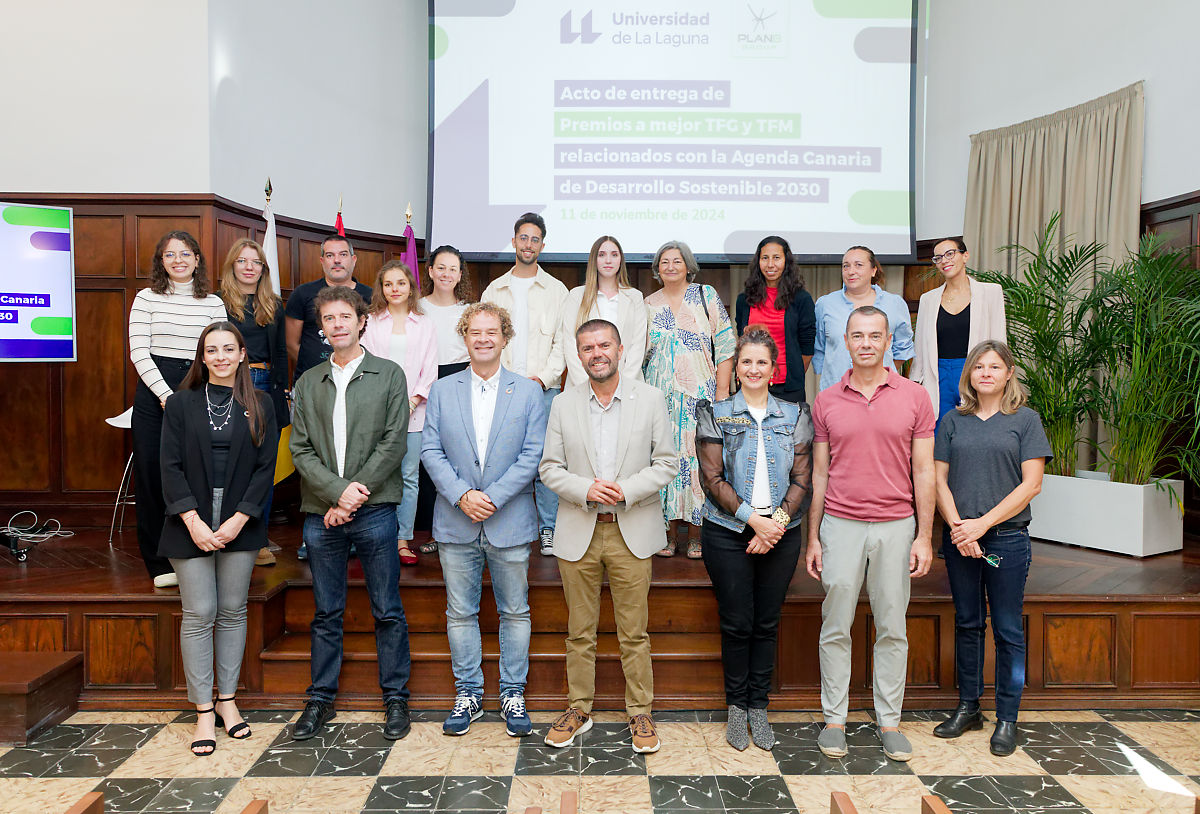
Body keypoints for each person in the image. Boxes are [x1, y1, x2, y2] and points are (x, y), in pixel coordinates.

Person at [539, 319, 678, 755]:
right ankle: (578, 709)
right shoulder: (563, 404)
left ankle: (640, 711)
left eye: (604, 344)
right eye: (587, 347)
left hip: (630, 530)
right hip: (579, 530)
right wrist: (584, 490)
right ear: (578, 355)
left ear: (620, 349)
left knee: (633, 632)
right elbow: (549, 468)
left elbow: (667, 462)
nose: (596, 353)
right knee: (579, 631)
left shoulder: (650, 399)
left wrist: (626, 490)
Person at [805, 305, 935, 762]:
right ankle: (835, 720)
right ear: (845, 339)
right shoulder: (826, 401)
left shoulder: (915, 397)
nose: (865, 343)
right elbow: (820, 475)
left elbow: (924, 469)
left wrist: (924, 535)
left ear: (887, 341)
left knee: (892, 627)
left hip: (897, 526)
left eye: (874, 336)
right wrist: (814, 537)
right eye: (857, 335)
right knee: (835, 623)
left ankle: (890, 722)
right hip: (840, 524)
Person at [288, 286, 412, 742]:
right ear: (321, 327)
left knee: (387, 610)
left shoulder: (389, 375)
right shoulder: (308, 382)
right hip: (322, 514)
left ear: (362, 321)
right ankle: (320, 699)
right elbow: (300, 449)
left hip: (376, 511)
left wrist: (354, 497)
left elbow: (394, 442)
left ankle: (396, 698)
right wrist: (337, 495)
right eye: (329, 318)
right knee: (326, 612)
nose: (337, 324)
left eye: (345, 316)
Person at [421, 302, 546, 738]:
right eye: (475, 331)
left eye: (492, 331)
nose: (484, 338)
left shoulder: (528, 392)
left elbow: (533, 455)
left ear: (505, 337)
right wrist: (461, 495)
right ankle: (469, 692)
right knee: (460, 612)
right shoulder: (442, 389)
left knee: (515, 611)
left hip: (508, 520)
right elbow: (430, 450)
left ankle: (513, 692)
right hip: (455, 522)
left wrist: (489, 497)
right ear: (465, 336)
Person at [159, 322, 278, 755]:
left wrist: (237, 521)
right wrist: (193, 521)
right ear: (202, 357)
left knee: (231, 610)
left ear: (243, 354)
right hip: (188, 516)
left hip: (239, 521)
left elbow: (266, 470)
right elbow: (168, 467)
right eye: (213, 350)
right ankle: (203, 711)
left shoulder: (262, 404)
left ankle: (227, 702)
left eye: (230, 349)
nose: (222, 356)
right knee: (200, 612)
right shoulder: (181, 404)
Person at [695, 328, 813, 751]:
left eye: (761, 362)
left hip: (782, 532)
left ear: (774, 368)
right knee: (737, 621)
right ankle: (736, 708)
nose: (753, 369)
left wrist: (774, 524)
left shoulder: (795, 414)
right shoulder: (716, 412)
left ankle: (758, 706)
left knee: (766, 622)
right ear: (736, 367)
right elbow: (711, 479)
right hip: (727, 532)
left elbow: (803, 478)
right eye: (746, 361)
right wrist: (753, 521)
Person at [932, 340, 1049, 756]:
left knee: (1007, 629)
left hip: (1006, 539)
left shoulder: (1026, 420)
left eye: (994, 367)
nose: (986, 373)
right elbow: (937, 480)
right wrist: (961, 529)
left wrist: (982, 524)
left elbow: (1031, 485)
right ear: (969, 375)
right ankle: (969, 707)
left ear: (1008, 374)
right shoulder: (952, 421)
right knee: (967, 623)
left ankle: (1007, 719)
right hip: (961, 539)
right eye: (978, 366)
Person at [129, 230, 228, 588]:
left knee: (195, 474)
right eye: (169, 255)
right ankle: (158, 563)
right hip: (155, 393)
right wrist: (166, 395)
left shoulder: (214, 303)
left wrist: (189, 395)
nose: (178, 260)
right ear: (161, 261)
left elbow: (217, 351)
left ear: (197, 259)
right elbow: (139, 351)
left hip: (199, 388)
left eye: (185, 254)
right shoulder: (146, 298)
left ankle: (195, 551)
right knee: (154, 476)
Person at [481, 213, 569, 557]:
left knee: (547, 463)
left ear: (542, 246)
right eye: (523, 238)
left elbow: (563, 344)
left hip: (543, 391)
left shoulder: (556, 290)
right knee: (500, 460)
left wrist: (542, 380)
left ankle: (548, 527)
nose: (528, 244)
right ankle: (500, 525)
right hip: (500, 389)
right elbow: (486, 339)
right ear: (514, 241)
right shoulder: (494, 289)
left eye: (535, 239)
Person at [642, 240, 735, 558]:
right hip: (659, 398)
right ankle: (665, 534)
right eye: (664, 261)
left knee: (698, 463)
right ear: (657, 268)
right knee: (662, 462)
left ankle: (696, 535)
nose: (670, 266)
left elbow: (725, 343)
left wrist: (722, 391)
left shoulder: (706, 295)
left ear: (688, 266)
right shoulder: (647, 304)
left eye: (676, 261)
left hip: (700, 394)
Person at [284, 234, 373, 561]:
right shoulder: (304, 294)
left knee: (354, 455)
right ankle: (317, 533)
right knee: (314, 457)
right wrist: (318, 373)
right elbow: (292, 343)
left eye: (342, 254)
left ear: (353, 259)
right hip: (314, 389)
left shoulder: (369, 296)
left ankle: (353, 527)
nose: (336, 260)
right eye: (329, 255)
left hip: (358, 387)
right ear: (321, 260)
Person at [362, 260, 438, 566]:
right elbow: (364, 364)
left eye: (401, 283)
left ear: (411, 287)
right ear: (381, 288)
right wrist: (387, 406)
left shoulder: (425, 323)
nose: (395, 289)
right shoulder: (369, 321)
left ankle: (402, 539)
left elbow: (430, 368)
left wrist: (410, 402)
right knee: (376, 476)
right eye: (388, 284)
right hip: (375, 412)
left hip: (415, 412)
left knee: (409, 477)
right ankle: (375, 537)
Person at [218, 238, 288, 568]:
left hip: (263, 386)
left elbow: (280, 356)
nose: (249, 267)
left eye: (256, 262)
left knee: (263, 465)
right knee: (231, 463)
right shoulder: (217, 303)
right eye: (243, 261)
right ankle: (226, 532)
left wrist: (281, 398)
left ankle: (257, 538)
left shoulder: (272, 303)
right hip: (227, 384)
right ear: (232, 265)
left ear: (263, 269)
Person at [414, 245, 475, 553]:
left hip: (458, 378)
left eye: (453, 269)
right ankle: (426, 530)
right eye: (441, 267)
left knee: (452, 454)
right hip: (422, 380)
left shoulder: (469, 310)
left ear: (460, 274)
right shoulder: (418, 307)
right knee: (425, 455)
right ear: (430, 271)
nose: (446, 274)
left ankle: (453, 527)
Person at [910, 238, 1008, 424]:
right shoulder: (928, 299)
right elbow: (921, 347)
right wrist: (915, 382)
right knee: (940, 434)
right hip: (938, 377)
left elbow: (999, 342)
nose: (944, 260)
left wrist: (997, 376)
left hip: (978, 372)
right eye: (938, 258)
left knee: (977, 432)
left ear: (965, 256)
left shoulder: (991, 292)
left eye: (950, 254)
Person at [812, 246, 913, 393]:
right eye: (846, 266)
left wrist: (878, 372)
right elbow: (820, 349)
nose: (851, 271)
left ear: (873, 270)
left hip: (882, 392)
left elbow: (903, 349)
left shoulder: (894, 303)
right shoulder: (825, 304)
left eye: (858, 265)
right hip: (837, 391)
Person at [733, 236, 817, 405]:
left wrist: (791, 373)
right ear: (758, 262)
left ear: (787, 261)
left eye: (776, 258)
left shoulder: (801, 299)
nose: (770, 264)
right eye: (765, 258)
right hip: (750, 383)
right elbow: (741, 343)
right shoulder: (744, 299)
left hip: (788, 389)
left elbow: (807, 349)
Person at [558, 235, 647, 387]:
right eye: (602, 255)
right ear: (594, 260)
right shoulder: (577, 296)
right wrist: (589, 387)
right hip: (582, 387)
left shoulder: (635, 297)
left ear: (621, 260)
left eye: (614, 255)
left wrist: (620, 387)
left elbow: (637, 347)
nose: (608, 260)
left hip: (628, 386)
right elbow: (570, 344)